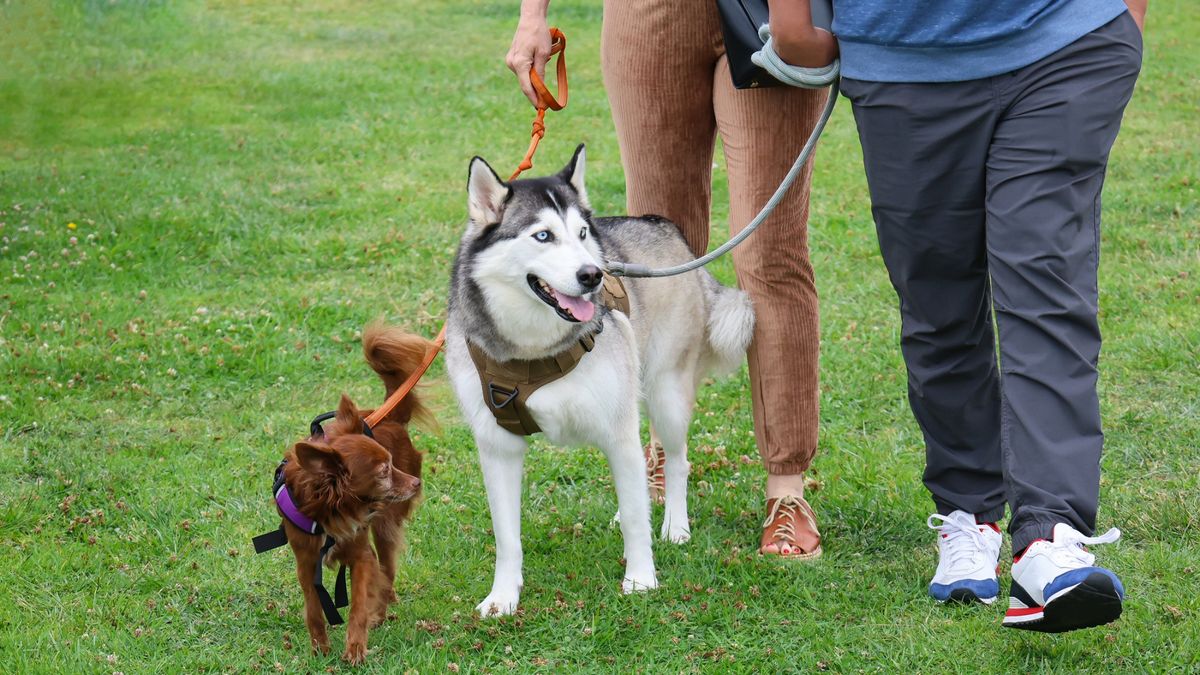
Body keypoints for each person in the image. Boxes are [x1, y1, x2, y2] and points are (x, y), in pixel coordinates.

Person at [769, 0, 1146, 631]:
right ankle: (969, 514)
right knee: (938, 305)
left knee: (1043, 288)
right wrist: (808, 33)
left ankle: (1048, 539)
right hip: (907, 74)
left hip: (1066, 46)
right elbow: (796, 38)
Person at [507, 0, 829, 558]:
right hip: (648, 15)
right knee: (654, 244)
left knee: (771, 252)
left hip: (773, 7)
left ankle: (787, 488)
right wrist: (532, 16)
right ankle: (660, 450)